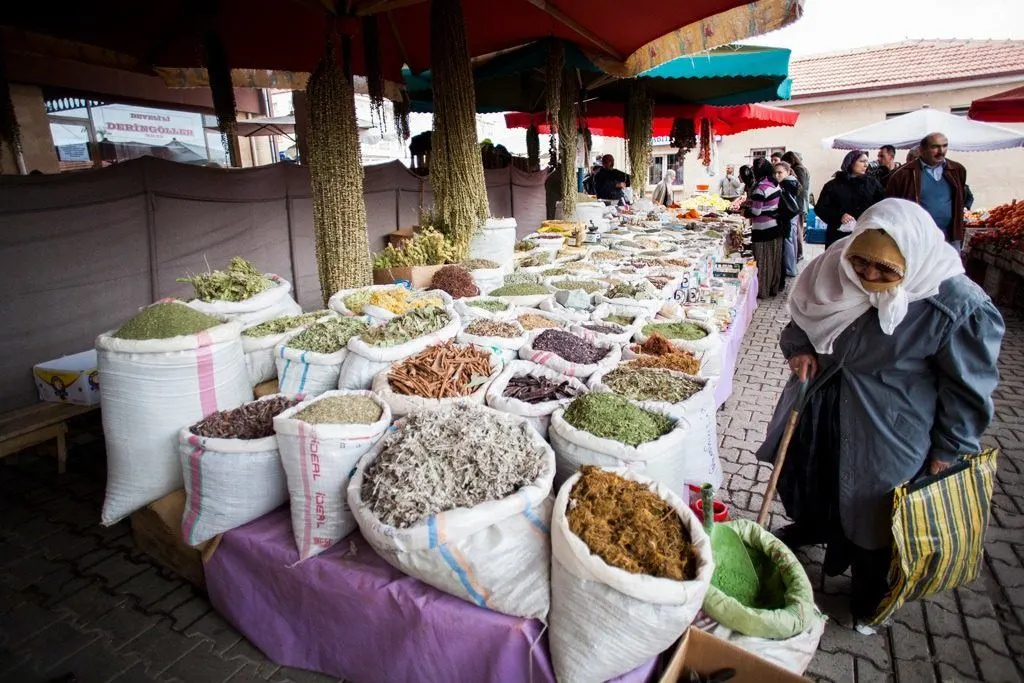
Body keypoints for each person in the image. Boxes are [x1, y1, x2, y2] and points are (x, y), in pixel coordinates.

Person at [757, 198, 1003, 632]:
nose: (868, 276)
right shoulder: (835, 266)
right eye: (862, 263)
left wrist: (949, 452)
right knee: (818, 477)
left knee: (876, 511)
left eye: (885, 270)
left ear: (912, 259)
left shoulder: (957, 305)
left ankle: (871, 592)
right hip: (822, 406)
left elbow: (968, 394)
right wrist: (799, 351)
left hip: (887, 427)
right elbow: (800, 321)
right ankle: (815, 529)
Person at [886, 132, 969, 250]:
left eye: (944, 145)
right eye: (935, 147)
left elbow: (960, 197)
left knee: (950, 268)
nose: (941, 151)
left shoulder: (957, 170)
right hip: (916, 237)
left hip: (949, 237)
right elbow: (891, 208)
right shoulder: (902, 175)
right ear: (922, 149)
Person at [815, 150, 886, 249]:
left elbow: (882, 204)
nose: (866, 165)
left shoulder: (872, 183)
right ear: (851, 163)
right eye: (862, 161)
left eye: (867, 161)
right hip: (838, 236)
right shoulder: (833, 185)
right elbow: (820, 208)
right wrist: (840, 216)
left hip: (865, 234)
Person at [746, 157, 787, 298]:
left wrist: (745, 210)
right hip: (776, 227)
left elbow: (756, 212)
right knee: (774, 261)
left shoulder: (760, 188)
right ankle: (772, 289)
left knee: (763, 262)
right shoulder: (774, 184)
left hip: (763, 230)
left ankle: (762, 291)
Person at [774, 160, 802, 278]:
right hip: (793, 214)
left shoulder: (786, 183)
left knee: (788, 240)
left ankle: (790, 268)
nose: (777, 175)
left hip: (788, 215)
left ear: (787, 172)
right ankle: (792, 266)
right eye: (775, 173)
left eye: (780, 172)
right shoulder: (793, 181)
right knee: (792, 239)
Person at [782, 151, 810, 260]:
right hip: (799, 203)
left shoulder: (799, 169)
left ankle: (799, 253)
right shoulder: (801, 168)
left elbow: (799, 188)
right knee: (798, 229)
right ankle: (798, 253)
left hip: (799, 204)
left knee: (798, 230)